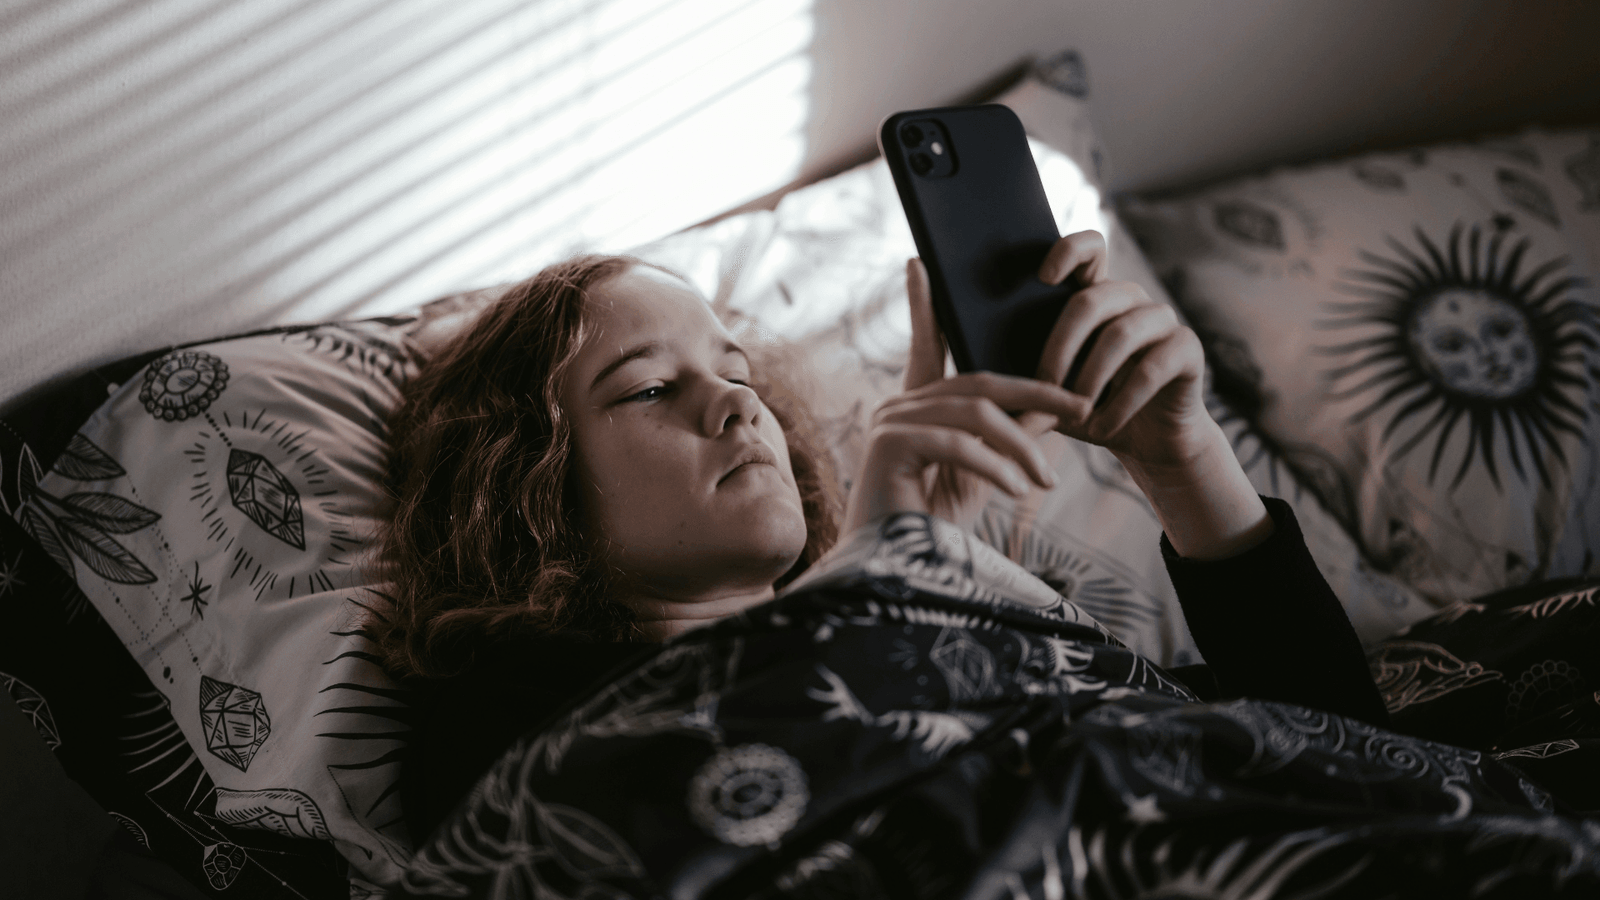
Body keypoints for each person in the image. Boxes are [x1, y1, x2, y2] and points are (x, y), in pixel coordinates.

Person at [366, 231, 1386, 847]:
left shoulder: (972, 597)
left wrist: (1179, 460)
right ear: (520, 483)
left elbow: (1347, 754)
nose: (731, 403)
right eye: (645, 389)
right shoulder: (501, 718)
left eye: (737, 373)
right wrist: (866, 611)